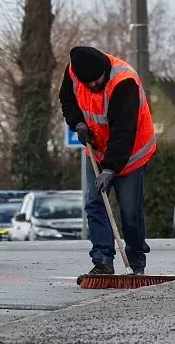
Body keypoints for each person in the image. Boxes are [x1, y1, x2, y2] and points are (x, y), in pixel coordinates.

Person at [59, 46, 157, 280]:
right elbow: (67, 101)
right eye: (88, 83)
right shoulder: (73, 72)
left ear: (104, 68)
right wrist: (77, 124)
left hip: (132, 153)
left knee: (129, 211)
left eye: (97, 81)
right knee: (95, 203)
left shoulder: (124, 82)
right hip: (97, 150)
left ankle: (136, 261)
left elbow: (124, 132)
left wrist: (111, 168)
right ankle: (102, 260)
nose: (93, 86)